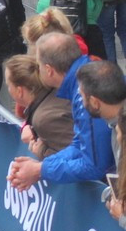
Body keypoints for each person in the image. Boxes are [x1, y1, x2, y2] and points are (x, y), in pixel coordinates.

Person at [10, 33, 115, 190]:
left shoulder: (86, 95)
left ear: (49, 70)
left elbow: (94, 166)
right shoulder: (83, 79)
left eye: (39, 66)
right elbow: (80, 144)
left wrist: (41, 170)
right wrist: (42, 167)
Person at [4, 54, 74, 159]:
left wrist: (41, 151)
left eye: (8, 85)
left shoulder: (44, 119)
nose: (8, 89)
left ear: (19, 91)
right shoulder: (54, 91)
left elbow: (78, 157)